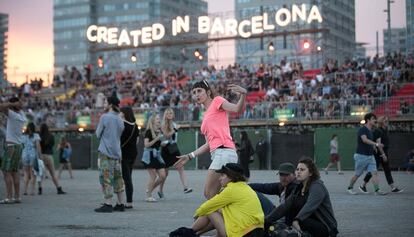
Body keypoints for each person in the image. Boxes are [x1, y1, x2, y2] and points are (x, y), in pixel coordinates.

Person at [174, 80, 247, 199]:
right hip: (220, 153)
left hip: (224, 152)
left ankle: (222, 217)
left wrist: (243, 94)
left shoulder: (217, 101)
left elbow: (236, 109)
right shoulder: (206, 115)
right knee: (216, 195)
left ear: (208, 92)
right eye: (194, 92)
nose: (196, 94)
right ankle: (227, 216)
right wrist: (189, 156)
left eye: (199, 91)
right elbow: (208, 144)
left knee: (209, 194)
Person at [265, 158, 338, 237]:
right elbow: (285, 206)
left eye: (302, 170)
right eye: (297, 169)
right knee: (289, 210)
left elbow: (310, 206)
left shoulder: (317, 186)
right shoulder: (299, 187)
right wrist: (266, 220)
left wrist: (297, 220)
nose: (299, 172)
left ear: (310, 173)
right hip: (305, 221)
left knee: (299, 220)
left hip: (325, 226)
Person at [190, 163, 264, 237]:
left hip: (243, 233)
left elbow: (208, 206)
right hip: (257, 231)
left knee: (211, 211)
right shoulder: (245, 187)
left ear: (230, 176)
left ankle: (189, 232)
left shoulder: (231, 189)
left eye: (222, 175)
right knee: (222, 211)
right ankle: (195, 233)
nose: (219, 178)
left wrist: (196, 215)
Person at [94, 96, 125, 213]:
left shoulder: (104, 117)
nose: (104, 104)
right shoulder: (120, 119)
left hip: (105, 152)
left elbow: (98, 134)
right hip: (117, 153)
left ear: (111, 105)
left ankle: (108, 204)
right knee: (118, 178)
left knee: (106, 178)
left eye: (106, 102)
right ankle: (121, 203)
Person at [360, 116, 403, 193]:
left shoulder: (384, 130)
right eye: (385, 121)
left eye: (387, 121)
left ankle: (392, 187)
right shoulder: (378, 131)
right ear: (381, 122)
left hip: (383, 152)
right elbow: (378, 144)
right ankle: (363, 185)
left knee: (387, 170)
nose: (387, 122)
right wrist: (383, 155)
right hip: (379, 153)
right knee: (373, 170)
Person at [347, 113, 387, 195]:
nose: (375, 120)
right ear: (368, 120)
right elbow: (364, 140)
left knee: (374, 172)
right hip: (361, 156)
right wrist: (376, 144)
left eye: (375, 119)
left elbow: (369, 143)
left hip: (370, 156)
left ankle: (377, 190)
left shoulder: (371, 131)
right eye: (373, 119)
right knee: (358, 174)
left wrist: (374, 148)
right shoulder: (362, 130)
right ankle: (350, 188)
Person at [0, 98, 26, 204]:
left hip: (11, 146)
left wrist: (11, 104)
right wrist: (17, 104)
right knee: (15, 172)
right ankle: (17, 197)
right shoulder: (22, 115)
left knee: (6, 172)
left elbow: (1, 107)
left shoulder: (13, 115)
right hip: (19, 146)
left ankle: (8, 197)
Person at [160, 108, 192, 195]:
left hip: (174, 147)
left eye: (171, 113)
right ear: (165, 115)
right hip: (166, 148)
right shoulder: (163, 124)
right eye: (168, 113)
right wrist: (175, 129)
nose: (170, 115)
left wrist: (176, 128)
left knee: (181, 167)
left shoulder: (174, 124)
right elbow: (166, 135)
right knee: (165, 173)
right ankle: (160, 190)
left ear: (173, 115)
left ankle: (186, 187)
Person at [142, 114, 167, 202]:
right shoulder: (149, 131)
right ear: (153, 121)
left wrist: (161, 143)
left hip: (157, 155)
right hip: (149, 155)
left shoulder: (159, 131)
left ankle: (150, 189)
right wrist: (157, 139)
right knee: (153, 176)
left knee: (163, 175)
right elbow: (146, 145)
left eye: (159, 118)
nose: (159, 120)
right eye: (157, 118)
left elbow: (157, 143)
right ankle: (148, 196)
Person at [119, 106, 140, 208]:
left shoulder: (123, 125)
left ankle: (128, 202)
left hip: (124, 154)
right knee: (128, 177)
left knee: (126, 179)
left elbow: (119, 141)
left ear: (124, 113)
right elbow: (137, 141)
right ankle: (129, 201)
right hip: (133, 153)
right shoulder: (135, 126)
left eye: (121, 112)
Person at [39, 123, 66, 195]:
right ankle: (58, 188)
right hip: (49, 156)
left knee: (40, 174)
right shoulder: (51, 136)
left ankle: (40, 189)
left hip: (41, 156)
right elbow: (52, 145)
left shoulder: (39, 136)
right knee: (53, 173)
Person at [21, 122, 41, 196]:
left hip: (24, 154)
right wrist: (40, 156)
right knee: (33, 174)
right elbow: (38, 147)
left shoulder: (23, 136)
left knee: (26, 173)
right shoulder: (36, 135)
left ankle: (25, 190)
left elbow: (21, 146)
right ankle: (32, 191)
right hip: (33, 154)